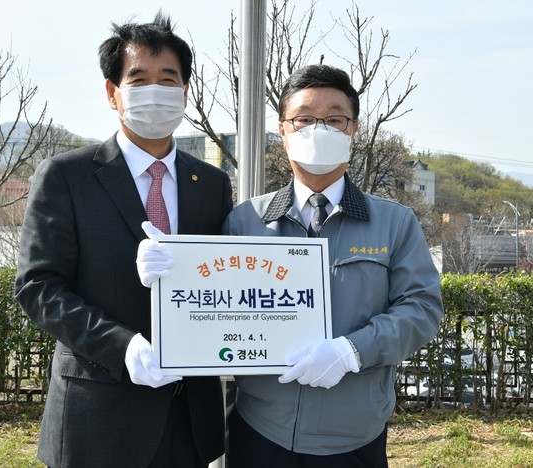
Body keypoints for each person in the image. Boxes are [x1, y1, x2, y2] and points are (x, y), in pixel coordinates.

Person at [137, 63, 443, 466]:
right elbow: (210, 307)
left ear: (354, 129)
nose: (319, 130)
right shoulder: (245, 221)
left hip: (355, 433)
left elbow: (421, 310)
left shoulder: (394, 223)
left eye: (335, 119)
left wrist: (352, 350)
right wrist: (170, 273)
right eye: (303, 119)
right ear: (283, 131)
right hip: (260, 427)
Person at [14, 12, 232, 468]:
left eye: (168, 79)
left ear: (185, 92)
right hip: (99, 417)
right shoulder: (67, 176)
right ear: (113, 93)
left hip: (190, 420)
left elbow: (224, 280)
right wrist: (124, 346)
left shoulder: (210, 184)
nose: (155, 90)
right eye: (139, 78)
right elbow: (39, 287)